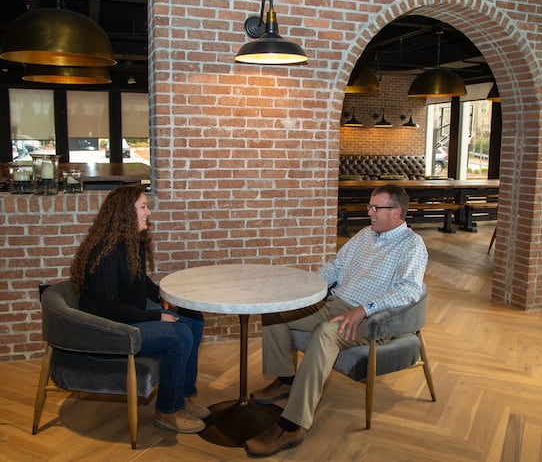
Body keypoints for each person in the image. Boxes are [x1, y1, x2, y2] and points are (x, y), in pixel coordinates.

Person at [244, 184, 428, 457]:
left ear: (397, 212)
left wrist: (364, 309)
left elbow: (409, 290)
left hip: (372, 318)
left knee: (325, 333)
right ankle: (285, 381)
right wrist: (306, 287)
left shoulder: (411, 246)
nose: (370, 212)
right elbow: (336, 267)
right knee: (276, 312)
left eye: (377, 208)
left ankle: (293, 424)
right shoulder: (366, 234)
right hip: (336, 304)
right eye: (369, 206)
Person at [70, 184, 210, 434]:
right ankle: (168, 411)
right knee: (180, 335)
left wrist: (160, 295)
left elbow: (139, 279)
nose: (148, 212)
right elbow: (111, 308)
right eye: (143, 207)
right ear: (126, 213)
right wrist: (157, 315)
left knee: (194, 319)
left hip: (126, 319)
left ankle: (184, 396)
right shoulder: (105, 252)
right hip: (109, 331)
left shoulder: (131, 242)